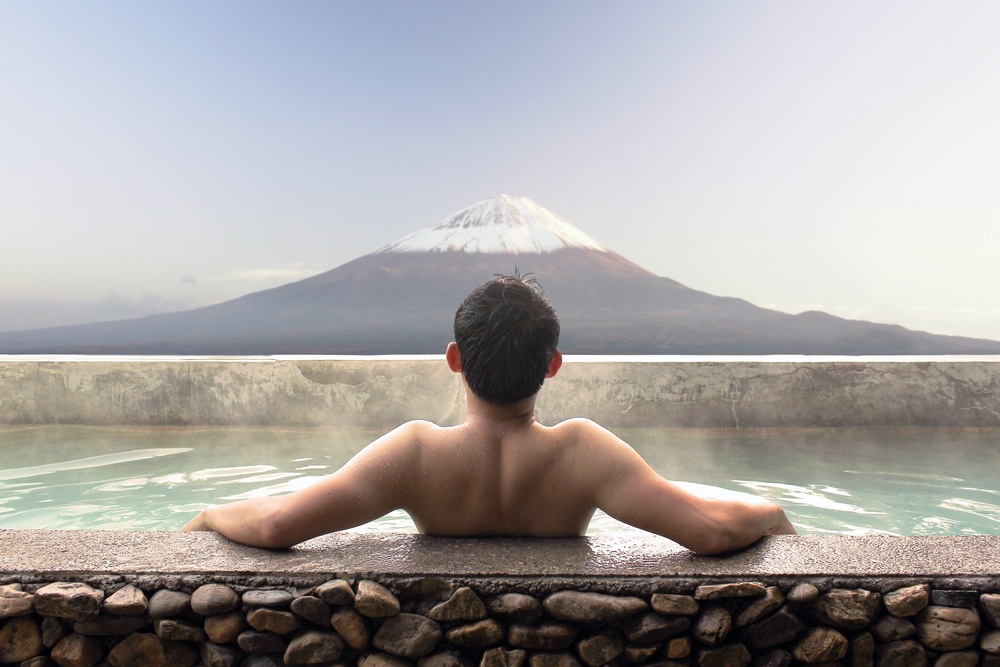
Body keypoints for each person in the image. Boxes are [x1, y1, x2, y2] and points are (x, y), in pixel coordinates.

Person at [183, 274, 796, 553]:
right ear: (552, 364)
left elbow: (274, 527)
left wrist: (211, 513)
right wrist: (769, 510)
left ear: (453, 358)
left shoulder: (416, 453)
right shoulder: (582, 452)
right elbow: (710, 530)